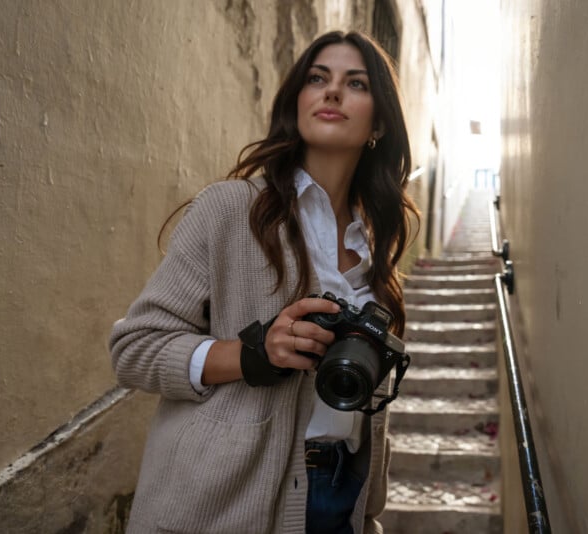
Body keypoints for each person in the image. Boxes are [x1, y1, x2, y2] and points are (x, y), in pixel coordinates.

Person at [109, 29, 419, 534]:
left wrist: (367, 512)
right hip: (223, 504)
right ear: (297, 101)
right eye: (318, 78)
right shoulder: (229, 210)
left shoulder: (375, 251)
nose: (333, 91)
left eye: (356, 83)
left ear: (378, 122)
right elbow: (134, 349)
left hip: (342, 498)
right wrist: (254, 353)